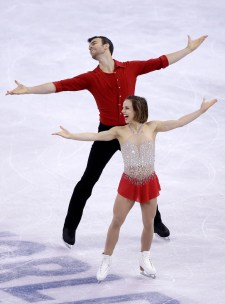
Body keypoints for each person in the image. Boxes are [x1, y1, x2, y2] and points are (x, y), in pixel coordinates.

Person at [6, 34, 208, 245]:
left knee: (143, 175)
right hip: (108, 134)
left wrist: (188, 50)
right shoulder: (91, 78)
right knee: (88, 180)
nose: (90, 48)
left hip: (132, 132)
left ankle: (155, 222)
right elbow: (59, 85)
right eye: (89, 45)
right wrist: (29, 89)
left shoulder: (131, 67)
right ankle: (69, 226)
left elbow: (160, 62)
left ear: (106, 46)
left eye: (93, 43)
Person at [52, 95, 217, 281]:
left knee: (148, 224)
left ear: (138, 109)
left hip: (148, 182)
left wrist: (201, 110)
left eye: (127, 108)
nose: (122, 111)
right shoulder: (119, 131)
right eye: (123, 108)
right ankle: (106, 259)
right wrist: (71, 135)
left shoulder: (152, 127)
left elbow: (179, 122)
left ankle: (144, 259)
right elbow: (96, 136)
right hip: (129, 183)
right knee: (116, 222)